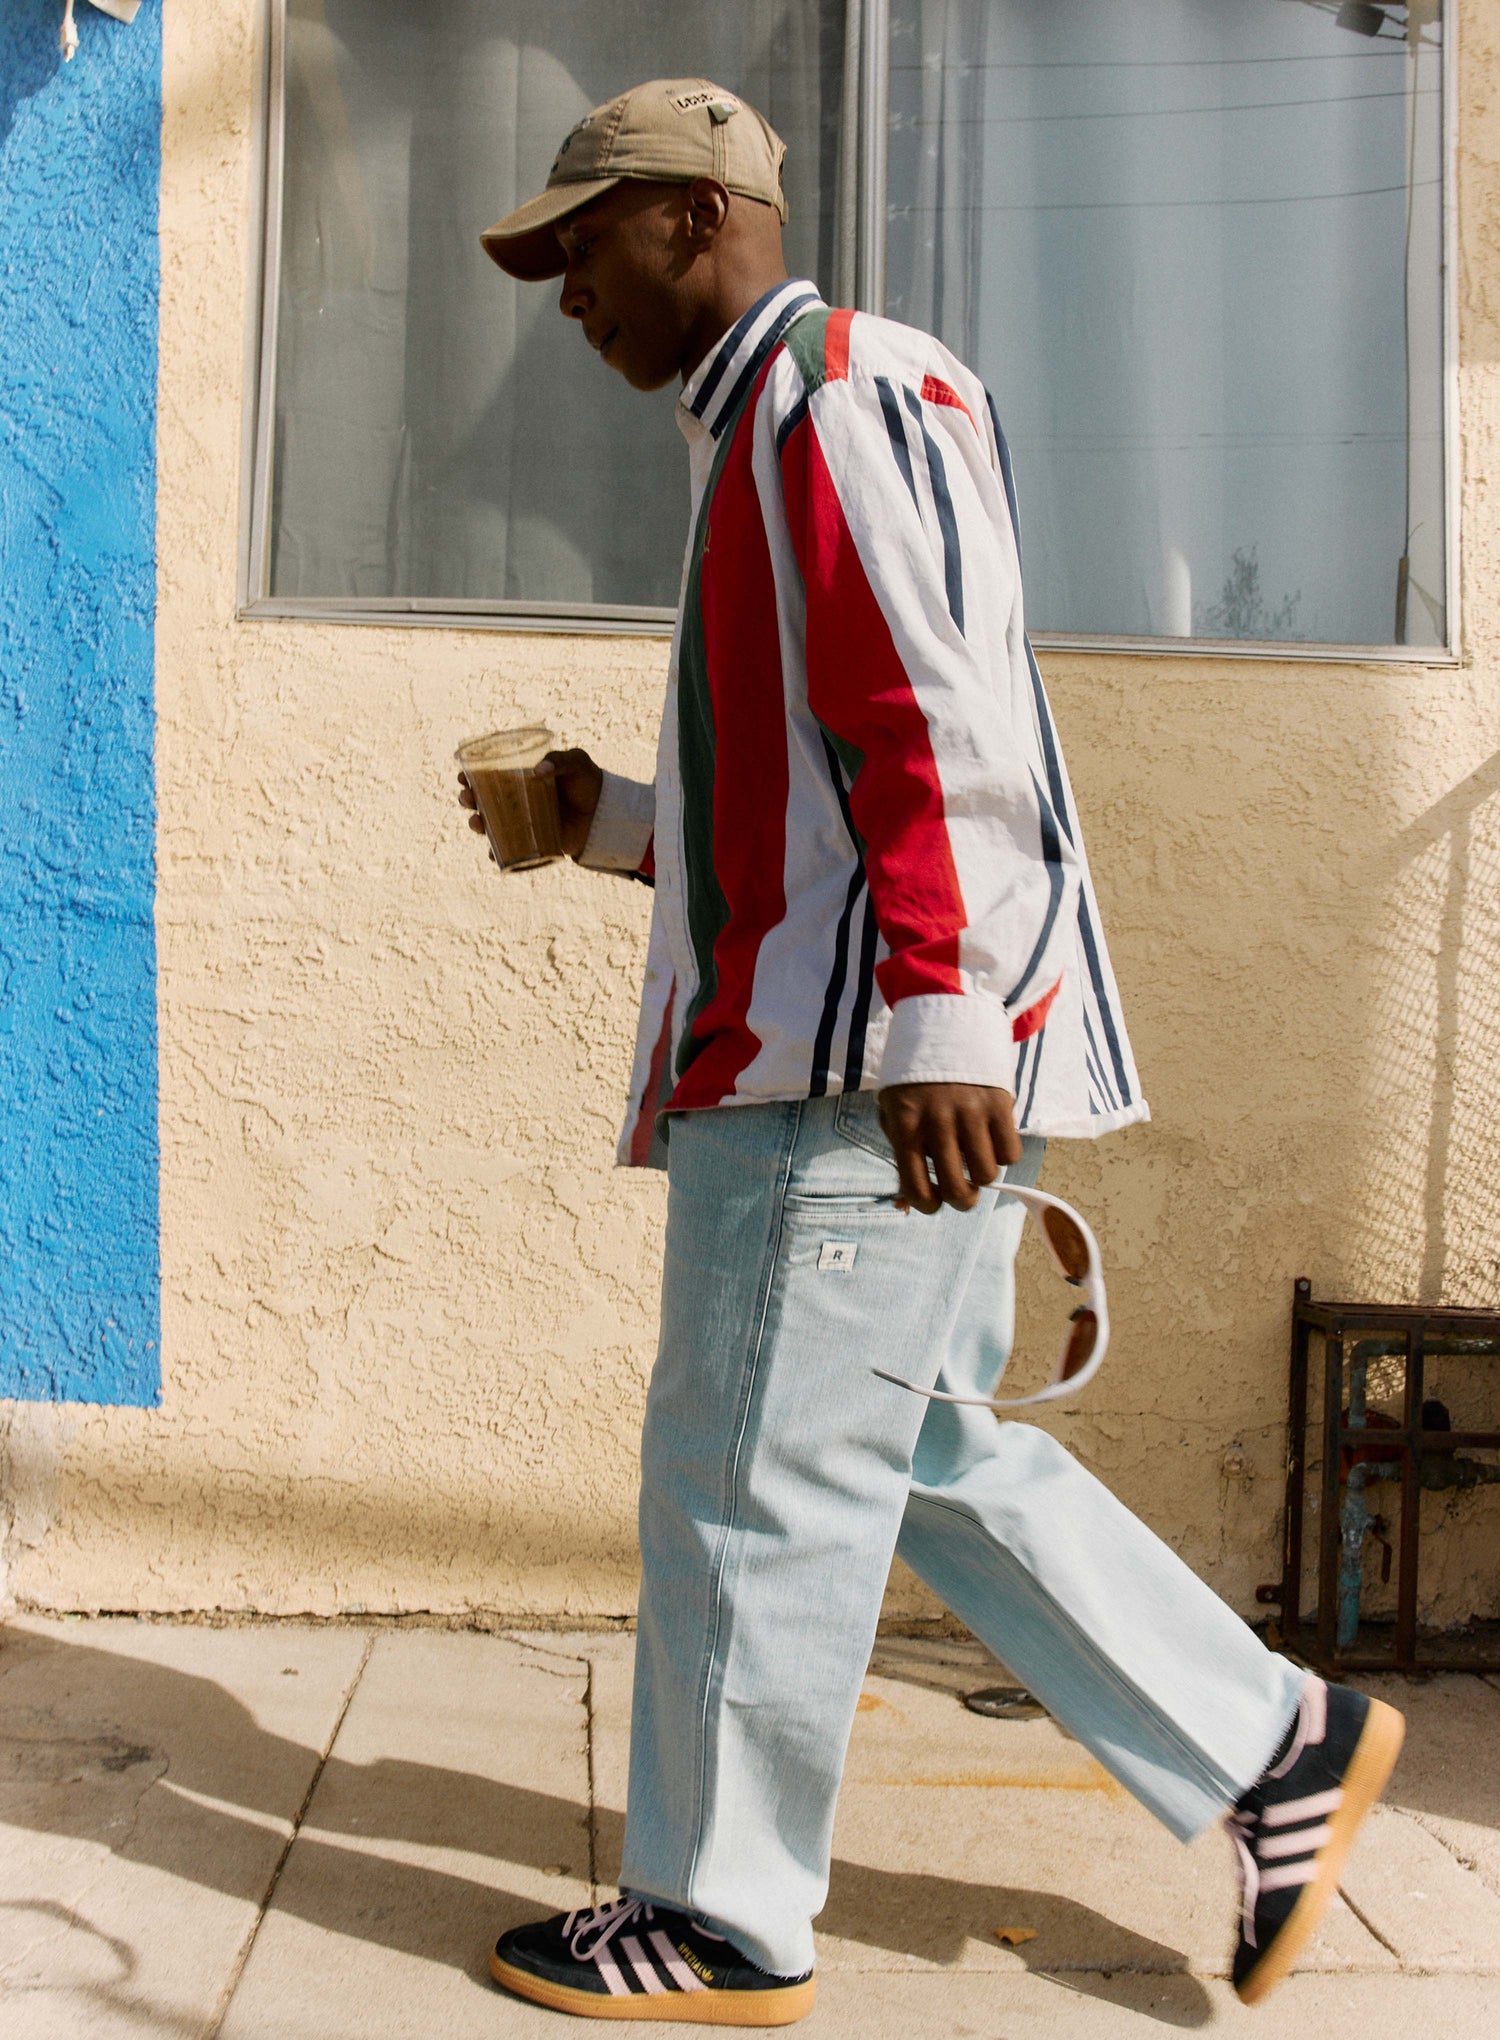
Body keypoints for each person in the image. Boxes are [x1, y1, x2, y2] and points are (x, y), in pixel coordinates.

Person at [459, 77, 1404, 2026]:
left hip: (852, 1076)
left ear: (700, 213)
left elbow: (929, 721)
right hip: (873, 1035)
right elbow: (815, 795)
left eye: (583, 246)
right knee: (911, 1450)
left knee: (746, 1479)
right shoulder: (765, 431)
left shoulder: (831, 396)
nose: (563, 296)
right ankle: (1271, 1747)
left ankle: (719, 1918)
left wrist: (941, 1016)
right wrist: (607, 814)